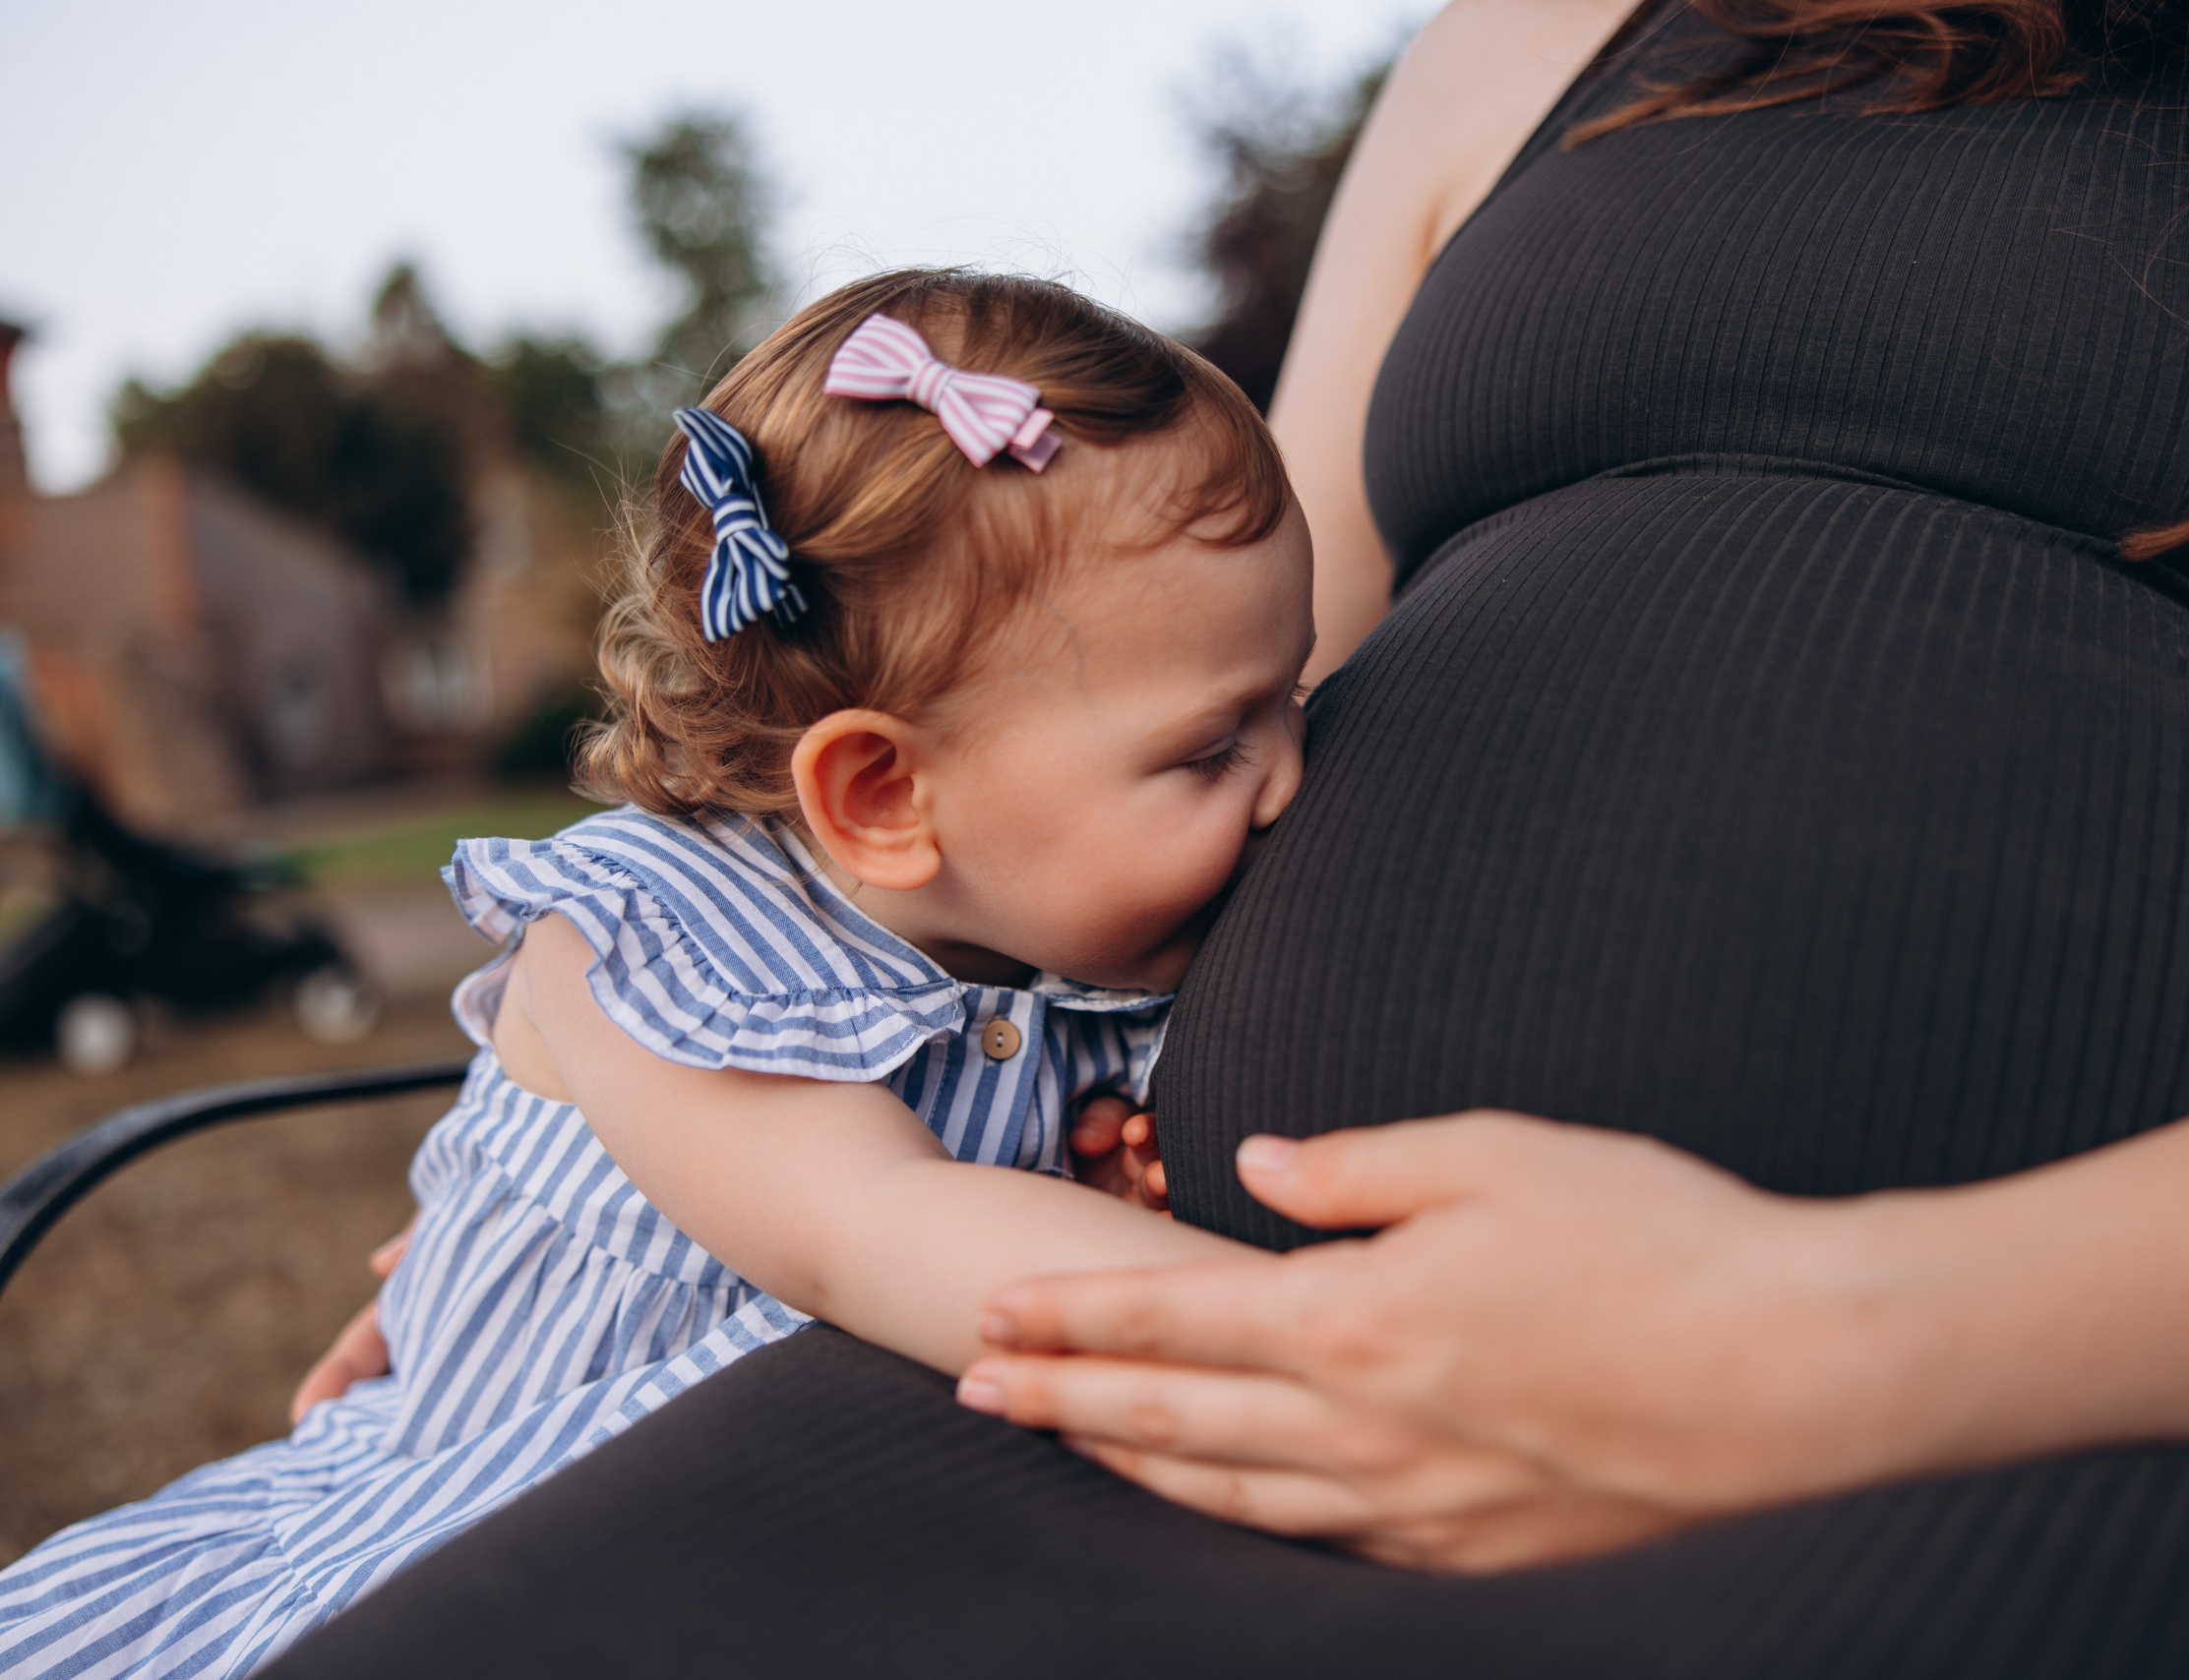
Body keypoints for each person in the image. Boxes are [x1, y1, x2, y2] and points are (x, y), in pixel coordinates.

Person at [277, 0, 2189, 1673]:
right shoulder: (1530, 38)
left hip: (2096, 1433)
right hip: (1182, 1384)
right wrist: (621, 1170)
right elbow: (1138, 687)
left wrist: (1830, 1340)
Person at [0, 270, 1313, 1678]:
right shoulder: (638, 943)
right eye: (1212, 745)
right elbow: (877, 1227)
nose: (1293, 779)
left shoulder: (1065, 932)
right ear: (880, 793)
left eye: (1294, 693)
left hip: (816, 1521)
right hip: (489, 1523)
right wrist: (1335, 1340)